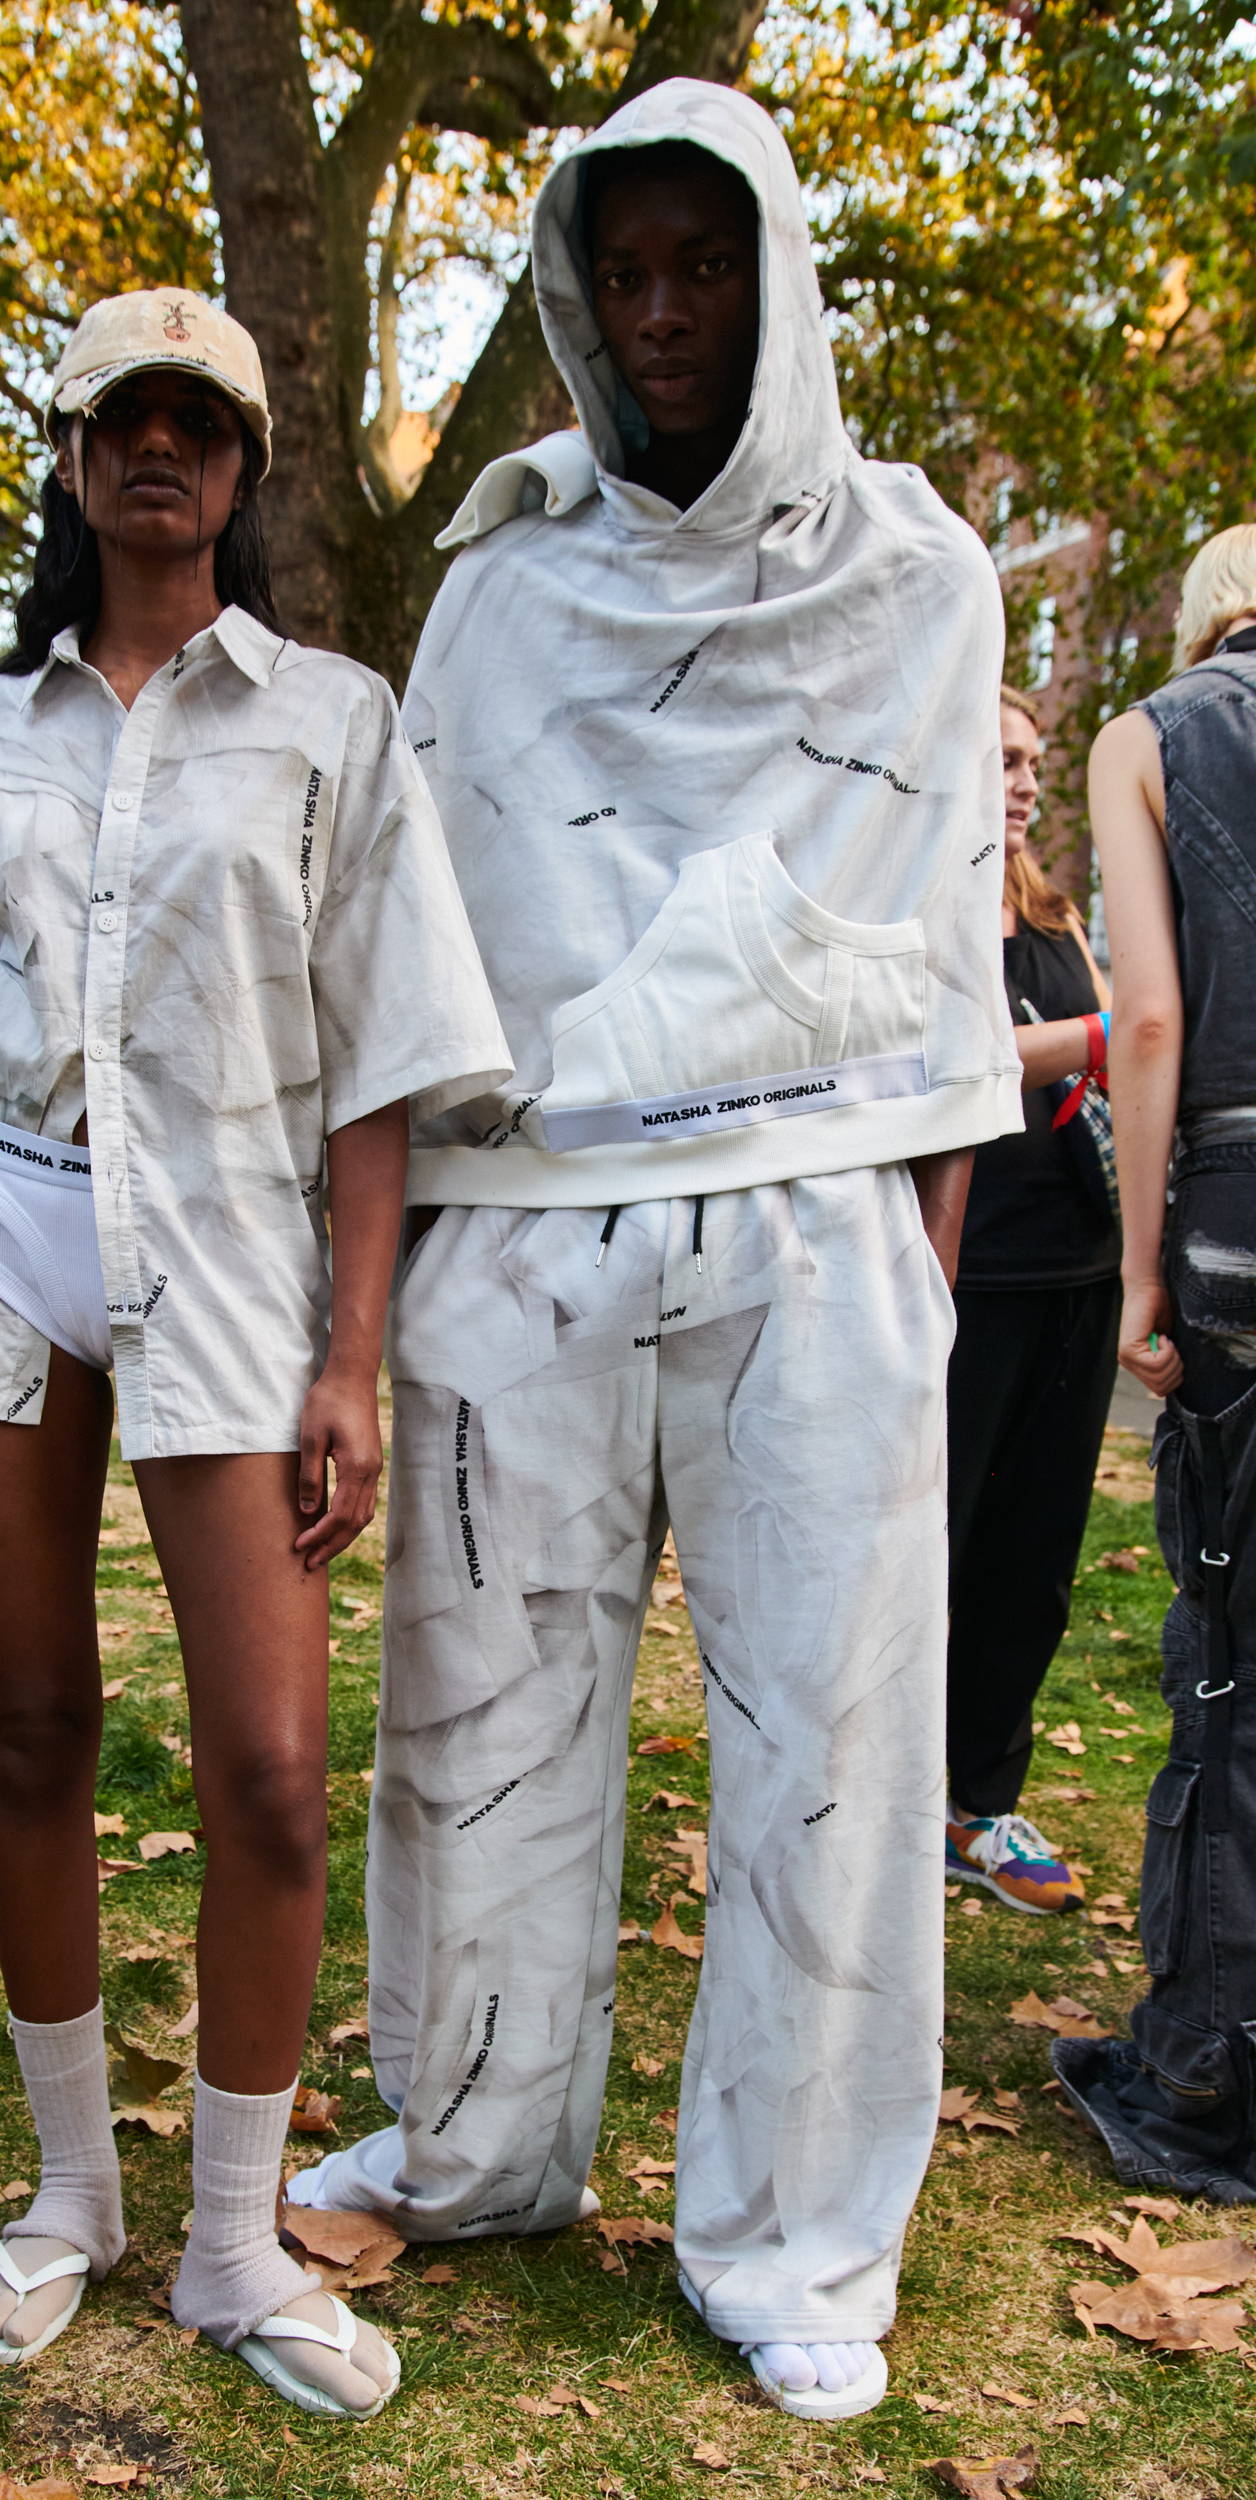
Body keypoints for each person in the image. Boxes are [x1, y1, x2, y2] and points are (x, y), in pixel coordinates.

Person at [287, 82, 1017, 2421]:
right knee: (484, 1712)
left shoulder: (915, 578)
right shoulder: (498, 592)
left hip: (815, 1229)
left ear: (778, 278)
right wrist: (376, 1293)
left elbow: (933, 983)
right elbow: (423, 947)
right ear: (577, 299)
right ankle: (488, 2133)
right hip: (526, 1224)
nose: (669, 311)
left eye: (709, 264)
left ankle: (795, 2231)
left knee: (833, 1732)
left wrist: (911, 1283)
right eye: (628, 272)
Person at [0, 289, 510, 2409]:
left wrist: (348, 1355)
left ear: (243, 463)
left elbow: (374, 1069)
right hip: (1, 1225)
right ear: (75, 457)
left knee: (270, 1772)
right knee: (29, 1721)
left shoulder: (331, 724)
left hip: (223, 1234)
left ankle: (226, 2241)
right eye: (121, 418)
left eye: (198, 421)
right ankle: (72, 2193)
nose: (158, 451)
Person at [1052, 522, 1256, 2198]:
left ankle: (1201, 2075)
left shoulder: (1153, 732)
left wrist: (1137, 1273)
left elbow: (1153, 1020)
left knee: (1228, 1650)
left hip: (1239, 1226)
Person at [944, 687, 1118, 1914]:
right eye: (1001, 758)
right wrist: (1106, 1034)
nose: (1023, 779)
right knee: (932, 1547)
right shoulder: (929, 906)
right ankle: (889, 1797)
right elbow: (942, 1056)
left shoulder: (1052, 913)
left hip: (1080, 1270)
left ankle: (981, 1805)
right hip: (974, 1274)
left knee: (1034, 1560)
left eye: (1033, 760)